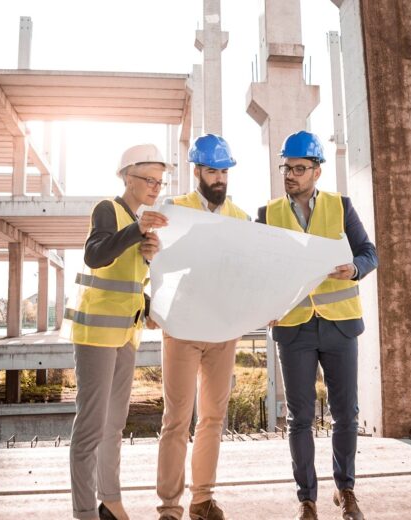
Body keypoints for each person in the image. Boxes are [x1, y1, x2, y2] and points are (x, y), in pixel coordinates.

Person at [257, 131, 378, 520]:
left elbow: (369, 253)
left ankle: (345, 491)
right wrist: (265, 303)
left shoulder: (341, 207)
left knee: (346, 414)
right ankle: (307, 499)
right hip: (294, 329)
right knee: (301, 418)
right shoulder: (268, 214)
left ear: (316, 171)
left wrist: (355, 268)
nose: (290, 175)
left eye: (298, 168)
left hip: (340, 326)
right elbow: (258, 269)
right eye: (286, 168)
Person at [65, 143, 171, 520]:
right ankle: (83, 512)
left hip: (126, 335)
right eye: (149, 179)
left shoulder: (138, 220)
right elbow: (95, 255)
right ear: (128, 176)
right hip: (95, 335)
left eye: (160, 181)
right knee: (91, 427)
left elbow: (128, 283)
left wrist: (147, 261)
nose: (156, 187)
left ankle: (110, 500)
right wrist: (136, 230)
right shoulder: (107, 209)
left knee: (113, 425)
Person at [147, 134, 250, 520]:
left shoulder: (240, 218)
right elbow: (158, 262)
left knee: (212, 418)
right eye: (212, 171)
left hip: (223, 331)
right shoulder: (175, 209)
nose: (220, 179)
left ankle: (202, 500)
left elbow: (248, 272)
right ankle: (169, 507)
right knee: (176, 420)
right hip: (184, 329)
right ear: (197, 172)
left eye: (224, 171)